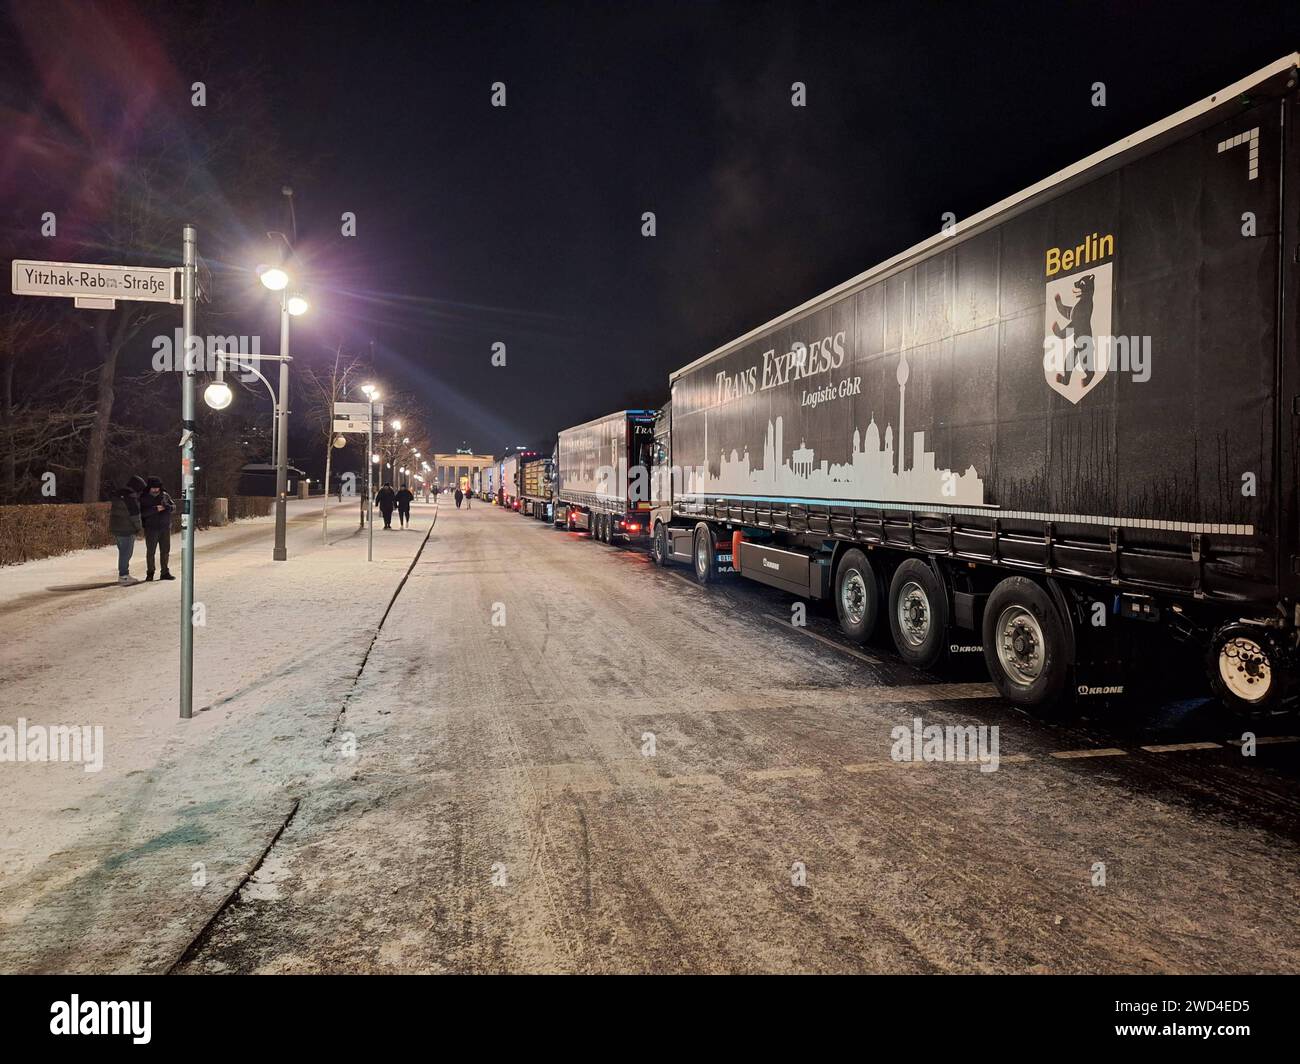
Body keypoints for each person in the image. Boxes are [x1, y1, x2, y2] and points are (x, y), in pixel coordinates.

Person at [109, 475, 146, 585]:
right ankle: (123, 575)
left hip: (117, 528)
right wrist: (139, 528)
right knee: (126, 553)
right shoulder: (130, 497)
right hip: (127, 529)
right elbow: (135, 515)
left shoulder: (118, 495)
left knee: (122, 552)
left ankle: (123, 574)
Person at [140, 475, 176, 581]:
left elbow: (174, 507)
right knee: (151, 551)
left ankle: (165, 571)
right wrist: (155, 509)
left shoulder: (165, 495)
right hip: (151, 528)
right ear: (149, 488)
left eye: (157, 487)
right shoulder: (144, 497)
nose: (156, 490)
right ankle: (150, 572)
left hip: (165, 527)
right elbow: (142, 513)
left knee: (165, 551)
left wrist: (169, 507)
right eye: (153, 488)